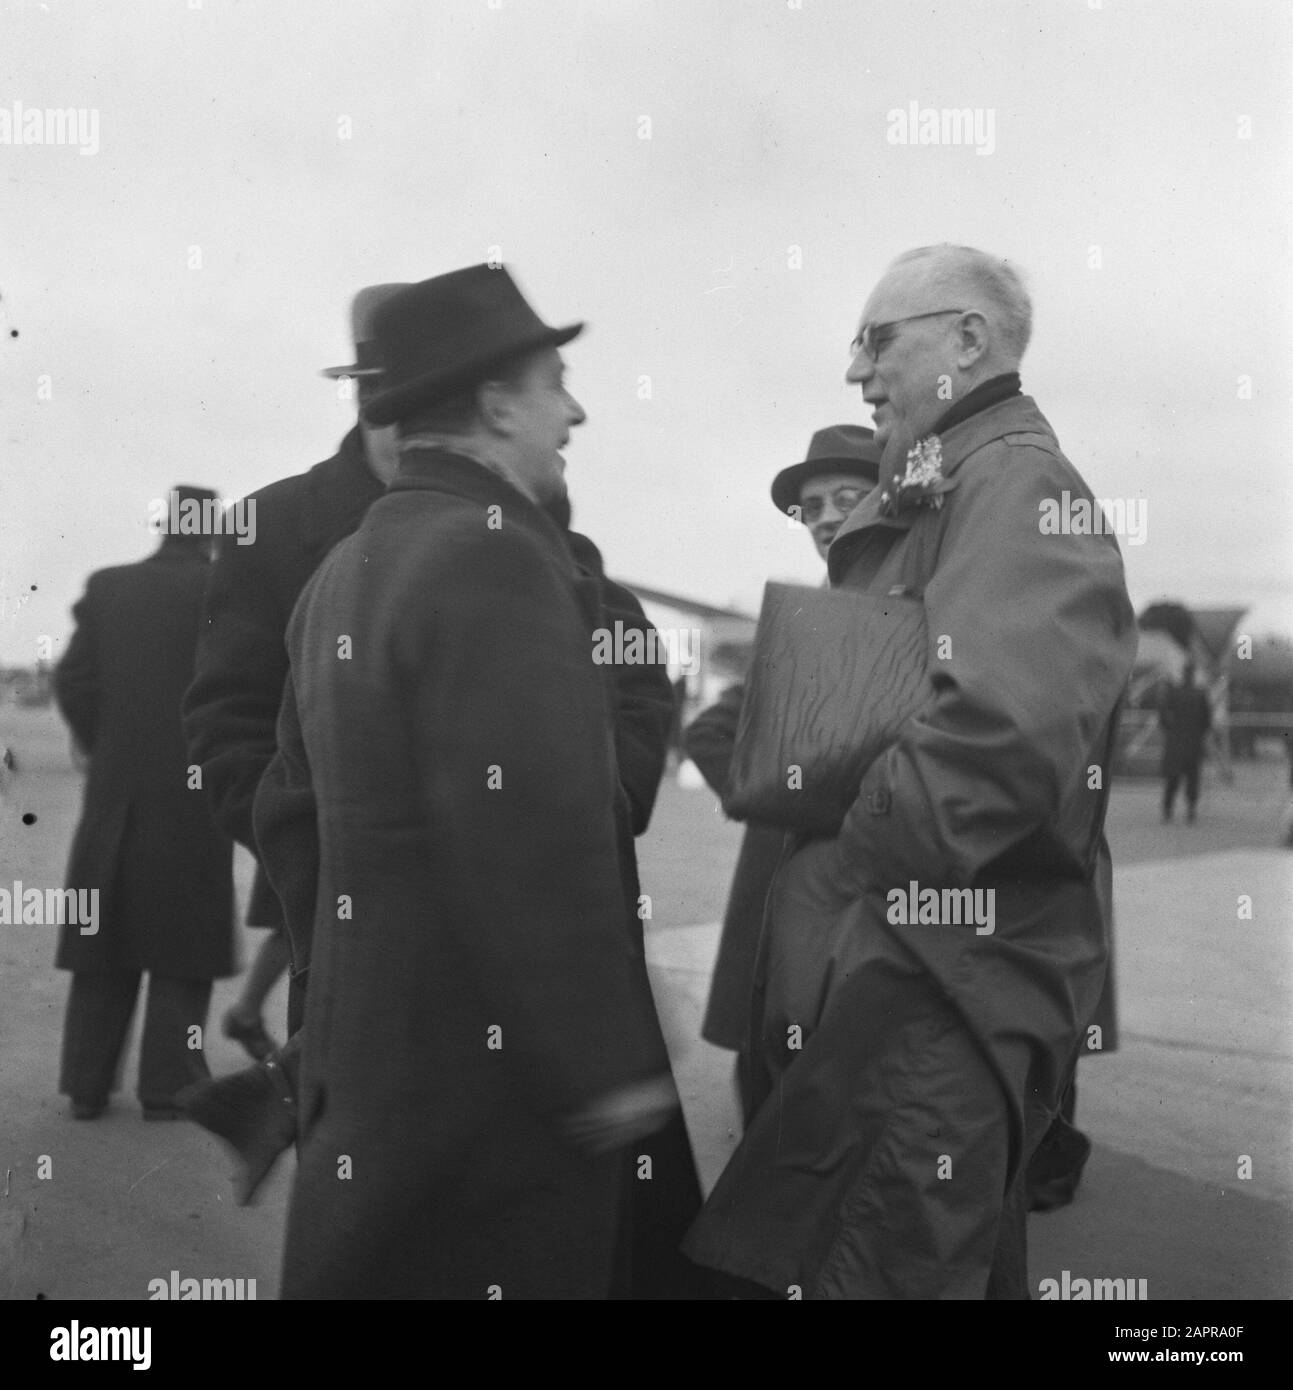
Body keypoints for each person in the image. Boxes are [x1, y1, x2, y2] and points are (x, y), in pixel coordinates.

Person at [683, 244, 1137, 1299]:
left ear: (969, 340)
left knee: (894, 1272)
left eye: (878, 339)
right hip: (902, 987)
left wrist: (841, 888)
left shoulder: (1017, 485)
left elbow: (994, 743)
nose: (857, 371)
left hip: (928, 991)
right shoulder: (953, 481)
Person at [254, 265, 694, 1299]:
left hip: (376, 1087)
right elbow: (537, 844)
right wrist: (615, 1071)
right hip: (492, 1108)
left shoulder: (347, 567)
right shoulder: (490, 558)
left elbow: (291, 812)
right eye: (557, 380)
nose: (575, 409)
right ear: (496, 399)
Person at [182, 284, 408, 1057]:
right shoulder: (274, 526)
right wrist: (311, 865)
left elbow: (626, 693)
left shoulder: (522, 515)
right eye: (391, 393)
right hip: (340, 927)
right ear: (365, 398)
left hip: (510, 937)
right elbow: (225, 722)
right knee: (354, 1155)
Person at [684, 425, 880, 1081]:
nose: (824, 518)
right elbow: (710, 732)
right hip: (798, 896)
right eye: (812, 507)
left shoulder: (926, 607)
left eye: (845, 497)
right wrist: (800, 807)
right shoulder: (804, 620)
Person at [53, 486, 236, 1120]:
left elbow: (72, 676)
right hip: (196, 787)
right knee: (184, 944)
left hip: (118, 787)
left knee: (106, 933)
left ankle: (86, 1085)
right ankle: (169, 1088)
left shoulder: (108, 587)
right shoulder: (222, 591)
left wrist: (103, 740)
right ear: (213, 532)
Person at [1159, 661, 1212, 823]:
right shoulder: (1200, 694)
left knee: (1172, 778)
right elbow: (1207, 720)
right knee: (1192, 778)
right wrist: (1199, 734)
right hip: (1194, 743)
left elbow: (1163, 714)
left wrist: (1170, 730)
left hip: (1176, 742)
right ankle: (1191, 810)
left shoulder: (1174, 692)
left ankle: (1168, 809)